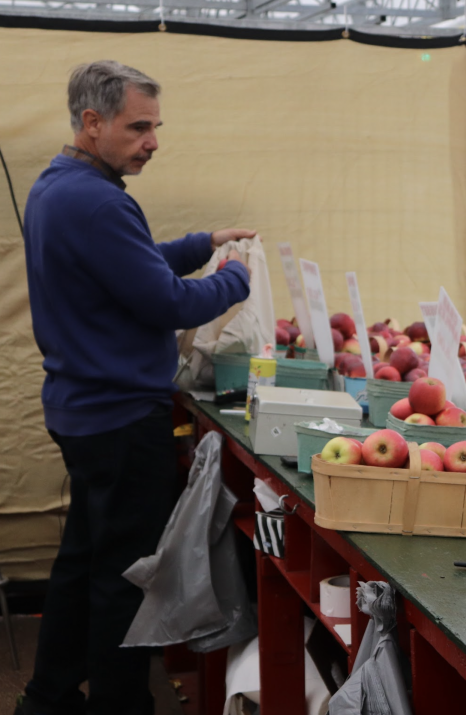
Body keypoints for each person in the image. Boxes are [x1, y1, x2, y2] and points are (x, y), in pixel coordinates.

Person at [17, 60, 253, 715]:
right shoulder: (97, 200)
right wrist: (235, 277)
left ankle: (48, 693)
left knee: (83, 562)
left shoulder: (60, 185)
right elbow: (167, 301)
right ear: (92, 123)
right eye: (138, 126)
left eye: (156, 126)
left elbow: (132, 263)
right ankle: (120, 702)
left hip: (81, 410)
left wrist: (203, 243)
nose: (153, 140)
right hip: (120, 417)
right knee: (126, 575)